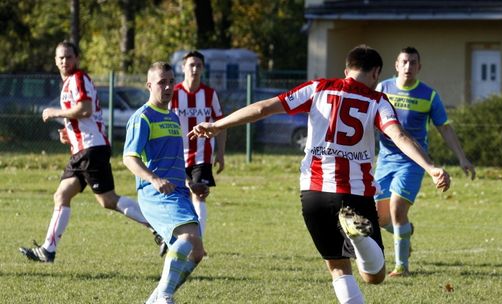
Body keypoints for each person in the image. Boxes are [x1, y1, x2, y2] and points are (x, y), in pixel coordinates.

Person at [188, 45, 451, 304]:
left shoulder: (318, 88)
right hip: (355, 193)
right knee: (374, 276)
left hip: (314, 193)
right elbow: (399, 135)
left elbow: (264, 108)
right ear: (376, 73)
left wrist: (217, 124)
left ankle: (358, 240)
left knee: (338, 268)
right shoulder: (377, 100)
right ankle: (359, 238)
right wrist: (431, 167)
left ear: (346, 70)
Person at [19, 41, 161, 263]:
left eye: (68, 57)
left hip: (91, 149)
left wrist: (55, 112)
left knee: (108, 200)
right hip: (82, 149)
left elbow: (85, 109)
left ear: (76, 59)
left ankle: (157, 226)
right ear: (55, 61)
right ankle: (48, 250)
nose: (64, 61)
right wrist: (68, 133)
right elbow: (84, 117)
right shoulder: (67, 83)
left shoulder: (78, 78)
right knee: (63, 195)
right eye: (60, 58)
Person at [375, 46, 476, 277]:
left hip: (414, 162)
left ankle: (402, 267)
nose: (409, 66)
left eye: (413, 62)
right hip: (385, 160)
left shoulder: (429, 95)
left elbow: (445, 128)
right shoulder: (382, 89)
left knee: (397, 208)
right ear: (396, 65)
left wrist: (462, 158)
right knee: (380, 218)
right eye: (405, 62)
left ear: (419, 67)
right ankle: (405, 233)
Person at [123, 61, 208, 304]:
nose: (168, 86)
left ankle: (154, 300)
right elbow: (129, 158)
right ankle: (165, 296)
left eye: (171, 81)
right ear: (149, 85)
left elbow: (171, 161)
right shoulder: (143, 117)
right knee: (187, 238)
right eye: (162, 82)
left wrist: (190, 184)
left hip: (178, 191)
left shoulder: (172, 117)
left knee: (197, 253)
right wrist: (153, 179)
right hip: (155, 193)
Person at [170, 50, 226, 239]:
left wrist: (221, 153)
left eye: (198, 65)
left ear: (203, 69)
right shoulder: (174, 93)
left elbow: (221, 124)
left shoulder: (209, 94)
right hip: (176, 155)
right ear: (183, 67)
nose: (194, 69)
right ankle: (173, 236)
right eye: (191, 65)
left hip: (202, 154)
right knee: (179, 197)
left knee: (199, 194)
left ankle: (198, 241)